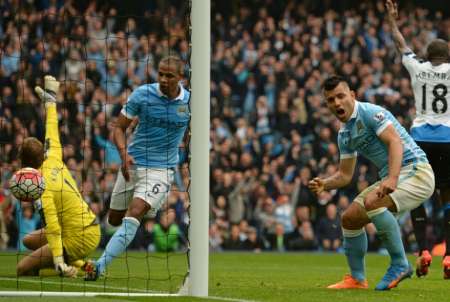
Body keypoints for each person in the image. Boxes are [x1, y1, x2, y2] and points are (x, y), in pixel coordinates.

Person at [308, 75, 434, 290]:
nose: (336, 103)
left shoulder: (369, 112)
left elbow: (394, 141)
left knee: (372, 202)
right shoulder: (345, 134)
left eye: (340, 96)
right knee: (349, 219)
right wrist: (325, 184)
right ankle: (357, 279)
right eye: (330, 100)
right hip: (394, 175)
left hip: (416, 170)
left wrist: (392, 178)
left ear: (352, 95)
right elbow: (345, 175)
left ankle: (399, 264)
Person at [84, 55, 190, 280]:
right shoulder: (143, 94)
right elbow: (118, 128)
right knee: (114, 219)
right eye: (160, 73)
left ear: (180, 77)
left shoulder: (190, 103)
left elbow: (194, 133)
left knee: (136, 211)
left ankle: (99, 266)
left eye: (169, 75)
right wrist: (123, 155)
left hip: (162, 170)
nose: (163, 79)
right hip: (132, 164)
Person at [386, 0, 450, 278]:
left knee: (418, 196)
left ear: (428, 54)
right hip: (448, 140)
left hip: (420, 139)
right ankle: (448, 256)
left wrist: (392, 20)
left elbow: (401, 44)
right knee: (447, 197)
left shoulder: (416, 67)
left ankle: (424, 250)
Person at [16, 75, 101, 277]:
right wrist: (50, 101)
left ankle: (66, 263)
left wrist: (58, 262)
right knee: (28, 240)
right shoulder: (52, 154)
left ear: (25, 163)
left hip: (79, 237)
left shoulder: (42, 185)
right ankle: (85, 265)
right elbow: (51, 128)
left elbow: (53, 226)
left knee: (22, 270)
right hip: (87, 224)